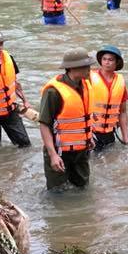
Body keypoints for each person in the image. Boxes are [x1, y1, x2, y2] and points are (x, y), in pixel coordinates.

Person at [39, 48, 93, 189]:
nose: (90, 70)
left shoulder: (86, 85)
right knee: (57, 193)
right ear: (73, 68)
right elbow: (44, 124)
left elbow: (83, 118)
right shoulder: (53, 92)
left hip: (81, 151)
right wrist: (53, 155)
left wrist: (89, 137)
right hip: (59, 151)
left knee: (83, 189)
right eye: (86, 66)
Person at [89, 45, 128, 150]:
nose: (107, 62)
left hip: (110, 133)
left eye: (111, 60)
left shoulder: (120, 82)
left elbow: (123, 112)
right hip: (91, 132)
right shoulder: (89, 78)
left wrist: (125, 137)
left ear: (116, 62)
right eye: (104, 59)